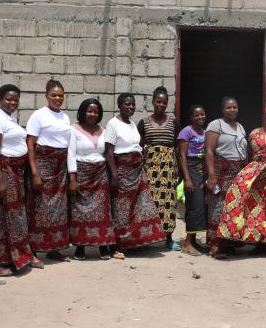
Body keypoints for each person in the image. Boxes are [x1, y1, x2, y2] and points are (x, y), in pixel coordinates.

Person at [217, 102, 266, 258]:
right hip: (257, 175)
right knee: (255, 207)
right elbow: (250, 157)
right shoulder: (254, 133)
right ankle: (258, 243)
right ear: (264, 115)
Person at [0, 84, 43, 276]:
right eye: (9, 99)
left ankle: (19, 256)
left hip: (16, 173)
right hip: (3, 172)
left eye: (16, 99)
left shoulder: (11, 119)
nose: (12, 102)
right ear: (0, 99)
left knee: (16, 218)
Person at [105, 93, 166, 259]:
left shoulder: (132, 124)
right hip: (122, 171)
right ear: (120, 105)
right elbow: (109, 151)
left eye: (133, 104)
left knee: (139, 206)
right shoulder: (113, 124)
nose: (131, 107)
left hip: (137, 170)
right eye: (127, 104)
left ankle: (130, 242)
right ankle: (114, 245)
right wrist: (115, 175)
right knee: (121, 209)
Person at [26, 80, 72, 262]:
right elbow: (30, 144)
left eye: (60, 95)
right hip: (43, 166)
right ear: (46, 96)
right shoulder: (38, 116)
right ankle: (34, 250)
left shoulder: (65, 117)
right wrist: (35, 173)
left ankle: (54, 248)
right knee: (39, 209)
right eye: (53, 95)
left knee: (58, 210)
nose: (57, 98)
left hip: (60, 169)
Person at [68, 98, 115, 261]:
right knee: (81, 212)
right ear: (82, 112)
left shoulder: (103, 129)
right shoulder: (73, 129)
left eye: (95, 111)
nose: (92, 114)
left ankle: (103, 246)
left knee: (102, 212)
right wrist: (72, 178)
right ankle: (80, 247)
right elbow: (71, 154)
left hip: (100, 174)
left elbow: (107, 152)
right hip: (82, 173)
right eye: (89, 111)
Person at [137, 86, 181, 251]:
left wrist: (179, 170)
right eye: (158, 101)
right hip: (150, 168)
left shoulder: (174, 122)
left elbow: (178, 147)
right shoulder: (144, 122)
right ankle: (148, 237)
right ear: (152, 102)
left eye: (164, 102)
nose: (161, 105)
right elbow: (138, 145)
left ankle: (168, 238)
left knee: (168, 203)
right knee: (149, 203)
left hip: (168, 168)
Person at [204, 96, 248, 259]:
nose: (232, 110)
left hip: (238, 172)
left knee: (234, 208)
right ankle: (215, 244)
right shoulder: (216, 125)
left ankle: (229, 243)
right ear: (222, 110)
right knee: (217, 207)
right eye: (229, 107)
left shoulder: (241, 127)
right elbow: (209, 150)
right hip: (220, 171)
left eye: (235, 107)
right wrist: (211, 175)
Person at [176, 104, 207, 256]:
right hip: (191, 168)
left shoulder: (205, 132)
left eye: (202, 114)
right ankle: (187, 243)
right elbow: (182, 156)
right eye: (197, 115)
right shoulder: (186, 132)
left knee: (200, 205)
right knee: (194, 206)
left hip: (202, 169)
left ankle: (194, 241)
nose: (200, 117)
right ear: (191, 117)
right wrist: (187, 178)